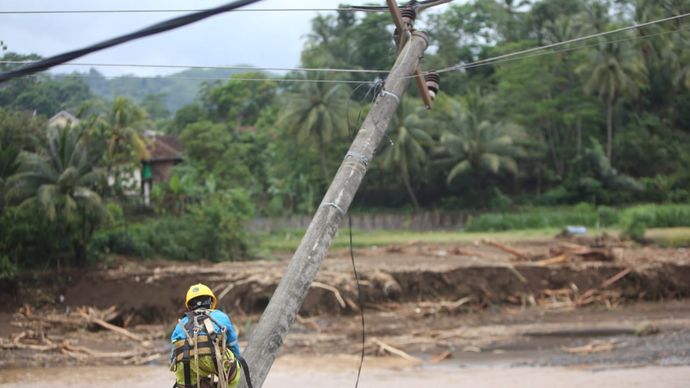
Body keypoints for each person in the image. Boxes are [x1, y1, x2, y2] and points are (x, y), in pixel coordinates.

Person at [170, 283, 243, 388]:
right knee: (234, 374)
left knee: (187, 382)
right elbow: (232, 343)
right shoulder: (220, 316)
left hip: (185, 363)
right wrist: (237, 362)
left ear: (189, 306)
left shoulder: (181, 324)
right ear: (210, 302)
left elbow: (174, 353)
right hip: (214, 358)